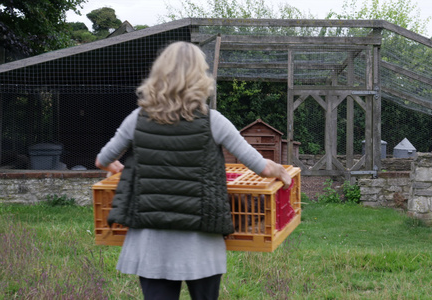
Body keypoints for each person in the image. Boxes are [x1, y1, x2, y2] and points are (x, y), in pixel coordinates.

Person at [95, 41, 291, 300]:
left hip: (151, 242)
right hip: (201, 242)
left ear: (159, 74)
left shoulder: (137, 118)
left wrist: (116, 167)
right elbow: (260, 166)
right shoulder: (214, 121)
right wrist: (281, 171)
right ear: (200, 77)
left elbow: (103, 159)